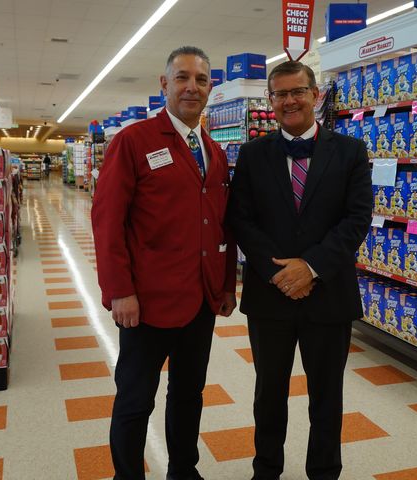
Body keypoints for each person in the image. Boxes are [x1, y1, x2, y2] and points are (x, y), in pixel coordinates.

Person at [92, 46, 237, 480]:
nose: (192, 87)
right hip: (146, 303)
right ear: (164, 84)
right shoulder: (134, 142)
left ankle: (183, 470)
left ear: (210, 88)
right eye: (182, 77)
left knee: (189, 394)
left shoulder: (215, 151)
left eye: (201, 79)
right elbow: (107, 220)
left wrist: (227, 285)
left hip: (200, 300)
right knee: (136, 398)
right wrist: (120, 290)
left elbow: (221, 226)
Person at [227, 61, 372, 480]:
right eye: (280, 94)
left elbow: (357, 218)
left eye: (298, 91)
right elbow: (241, 219)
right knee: (268, 393)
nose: (290, 100)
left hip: (329, 294)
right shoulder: (253, 156)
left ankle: (324, 471)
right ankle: (266, 469)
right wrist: (280, 273)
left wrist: (310, 267)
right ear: (270, 101)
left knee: (326, 395)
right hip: (270, 296)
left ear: (315, 95)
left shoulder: (350, 151)